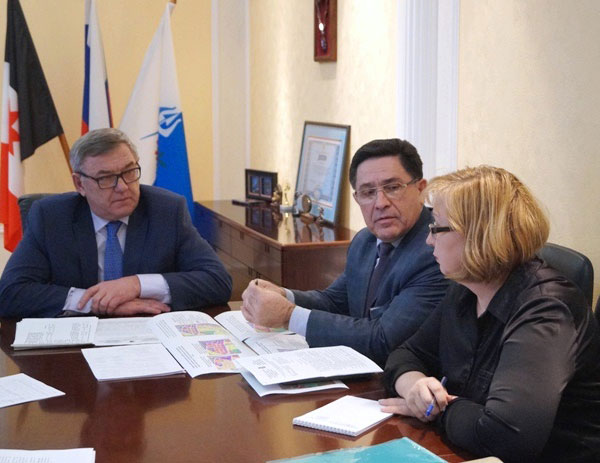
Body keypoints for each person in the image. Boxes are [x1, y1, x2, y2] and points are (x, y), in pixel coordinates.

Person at [380, 166, 600, 463]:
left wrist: (438, 410)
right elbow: (405, 353)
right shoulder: (466, 288)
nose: (429, 240)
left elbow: (507, 437)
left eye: (437, 228)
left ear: (479, 236)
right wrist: (414, 387)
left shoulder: (546, 309)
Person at [241, 139, 447, 365]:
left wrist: (288, 316)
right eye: (368, 192)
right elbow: (335, 301)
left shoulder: (438, 251)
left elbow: (384, 340)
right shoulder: (365, 241)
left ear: (421, 189)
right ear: (357, 198)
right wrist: (284, 295)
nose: (380, 203)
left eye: (393, 188)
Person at [0, 128, 232, 318]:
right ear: (80, 184)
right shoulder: (51, 217)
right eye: (106, 178)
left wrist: (136, 285)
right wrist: (97, 303)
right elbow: (10, 293)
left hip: (147, 338)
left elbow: (217, 281)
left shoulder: (167, 210)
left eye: (129, 171)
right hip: (75, 341)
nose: (122, 187)